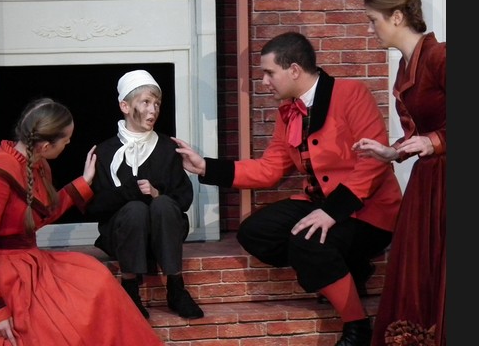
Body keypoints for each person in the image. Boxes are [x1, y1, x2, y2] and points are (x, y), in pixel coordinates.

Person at [173, 31, 403, 346]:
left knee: (306, 241)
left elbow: (373, 163)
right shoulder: (289, 112)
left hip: (367, 213)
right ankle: (345, 267)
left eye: (269, 73)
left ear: (294, 70)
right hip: (320, 203)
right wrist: (205, 167)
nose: (264, 81)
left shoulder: (351, 93)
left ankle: (357, 326)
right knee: (255, 232)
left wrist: (331, 213)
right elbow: (270, 169)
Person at [0, 97, 164, 346]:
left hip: (29, 262)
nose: (69, 144)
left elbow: (41, 215)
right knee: (45, 333)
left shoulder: (38, 164)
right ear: (44, 146)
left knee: (96, 279)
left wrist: (83, 182)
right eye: (65, 140)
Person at [352, 0, 446, 346]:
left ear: (396, 16)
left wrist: (435, 142)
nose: (370, 29)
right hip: (428, 182)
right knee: (420, 272)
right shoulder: (406, 67)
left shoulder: (440, 56)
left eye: (372, 21)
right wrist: (394, 152)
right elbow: (419, 133)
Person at [84, 69, 204, 320]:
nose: (153, 110)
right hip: (123, 237)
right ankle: (130, 289)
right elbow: (94, 207)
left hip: (163, 235)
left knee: (162, 205)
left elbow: (184, 198)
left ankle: (176, 288)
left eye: (157, 104)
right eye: (146, 102)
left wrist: (158, 193)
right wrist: (127, 193)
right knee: (135, 209)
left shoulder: (167, 148)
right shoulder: (105, 152)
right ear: (125, 106)